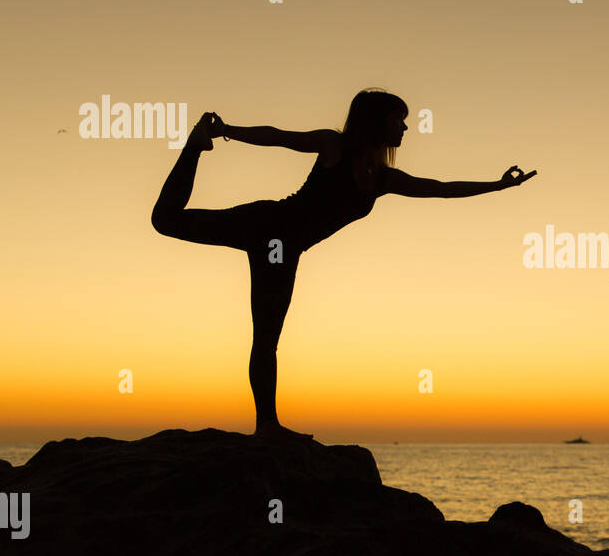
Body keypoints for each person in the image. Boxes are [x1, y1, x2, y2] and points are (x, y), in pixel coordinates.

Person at [150, 89, 537, 440]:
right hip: (270, 226)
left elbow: (439, 189)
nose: (405, 127)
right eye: (397, 118)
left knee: (266, 335)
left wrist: (497, 186)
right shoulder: (333, 145)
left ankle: (267, 424)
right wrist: (228, 130)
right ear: (375, 120)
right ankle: (196, 145)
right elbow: (278, 136)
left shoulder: (383, 178)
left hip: (284, 245)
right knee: (166, 223)